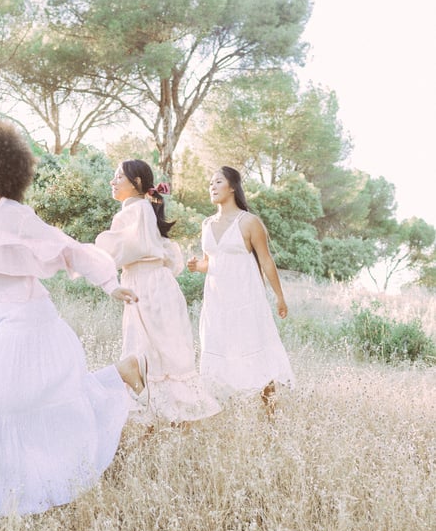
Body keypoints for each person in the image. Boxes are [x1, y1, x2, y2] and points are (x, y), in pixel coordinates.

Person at [0, 118, 148, 519]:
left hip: (30, 326)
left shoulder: (15, 215)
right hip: (15, 325)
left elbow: (67, 248)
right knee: (31, 404)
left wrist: (109, 283)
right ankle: (117, 374)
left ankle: (12, 495)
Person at [94, 159, 221, 426]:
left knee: (148, 353)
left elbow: (118, 251)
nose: (112, 182)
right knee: (161, 353)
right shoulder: (143, 209)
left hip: (146, 286)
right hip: (155, 284)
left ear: (136, 183)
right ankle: (169, 418)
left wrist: (91, 258)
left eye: (118, 177)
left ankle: (156, 417)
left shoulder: (134, 210)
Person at [187, 166, 294, 415]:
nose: (212, 187)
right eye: (210, 183)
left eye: (218, 182)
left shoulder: (249, 222)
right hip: (217, 303)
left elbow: (266, 261)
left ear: (232, 187)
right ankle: (225, 412)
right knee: (221, 352)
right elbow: (210, 262)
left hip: (246, 300)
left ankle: (271, 415)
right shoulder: (206, 224)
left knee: (255, 351)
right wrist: (196, 266)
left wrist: (279, 297)